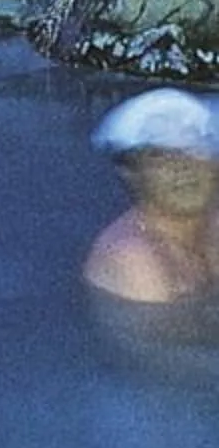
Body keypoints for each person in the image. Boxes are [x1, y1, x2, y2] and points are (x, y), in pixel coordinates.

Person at [82, 87, 219, 303]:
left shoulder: (213, 222)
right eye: (161, 156)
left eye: (193, 148)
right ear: (132, 172)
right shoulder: (132, 258)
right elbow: (176, 336)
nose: (183, 166)